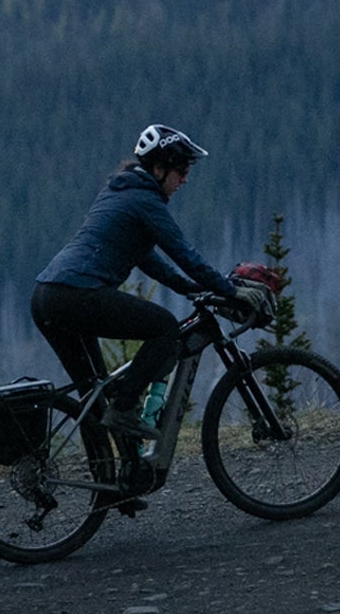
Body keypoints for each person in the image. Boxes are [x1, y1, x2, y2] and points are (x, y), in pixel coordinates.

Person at [33, 124, 244, 447]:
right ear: (159, 169)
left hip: (48, 294)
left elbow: (148, 259)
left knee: (93, 394)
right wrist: (231, 291)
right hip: (77, 294)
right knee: (164, 329)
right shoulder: (145, 201)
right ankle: (124, 404)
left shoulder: (121, 191)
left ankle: (113, 490)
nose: (184, 179)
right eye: (181, 170)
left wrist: (190, 289)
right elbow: (184, 253)